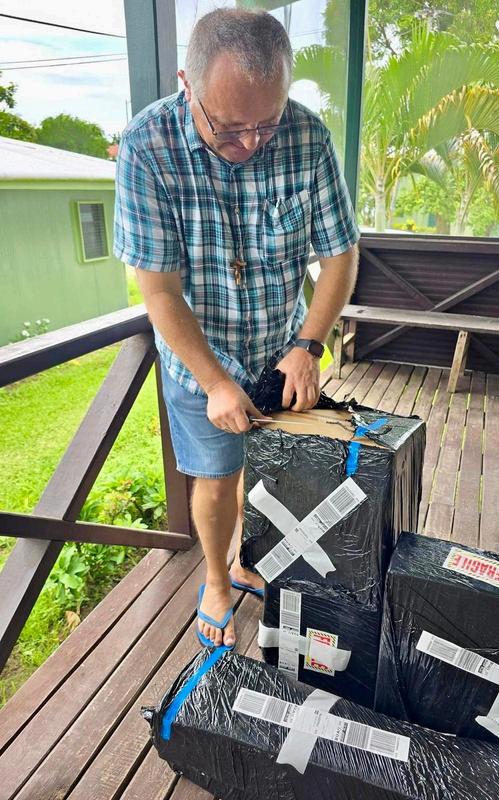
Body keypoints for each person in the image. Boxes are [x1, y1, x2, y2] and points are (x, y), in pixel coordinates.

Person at [113, 8, 359, 649]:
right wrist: (215, 381)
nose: (251, 143)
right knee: (217, 475)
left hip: (282, 347)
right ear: (186, 83)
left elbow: (340, 255)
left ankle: (249, 558)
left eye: (266, 123)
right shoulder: (147, 146)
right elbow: (159, 290)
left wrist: (308, 346)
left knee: (274, 466)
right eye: (228, 127)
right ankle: (216, 581)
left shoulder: (307, 136)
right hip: (200, 355)